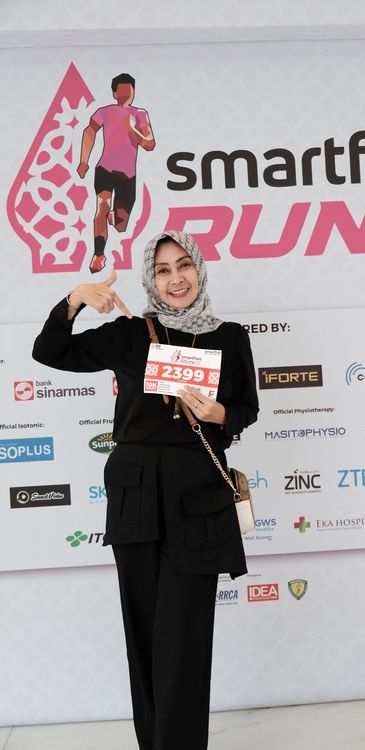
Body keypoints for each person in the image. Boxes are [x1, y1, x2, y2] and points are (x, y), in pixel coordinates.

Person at [32, 230, 259, 750]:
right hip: (135, 495)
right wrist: (75, 300)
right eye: (163, 270)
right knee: (145, 633)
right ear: (150, 279)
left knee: (185, 636)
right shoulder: (133, 333)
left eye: (184, 265)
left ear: (199, 269)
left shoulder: (230, 337)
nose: (176, 278)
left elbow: (246, 407)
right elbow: (49, 351)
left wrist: (218, 413)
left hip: (199, 498)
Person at [77, 73, 155, 274]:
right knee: (102, 206)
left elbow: (149, 144)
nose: (126, 95)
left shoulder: (140, 114)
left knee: (121, 225)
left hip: (127, 175)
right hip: (105, 169)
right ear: (114, 93)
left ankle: (115, 218)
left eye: (130, 91)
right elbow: (89, 131)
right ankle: (98, 254)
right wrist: (84, 161)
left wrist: (132, 130)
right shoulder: (105, 112)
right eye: (122, 91)